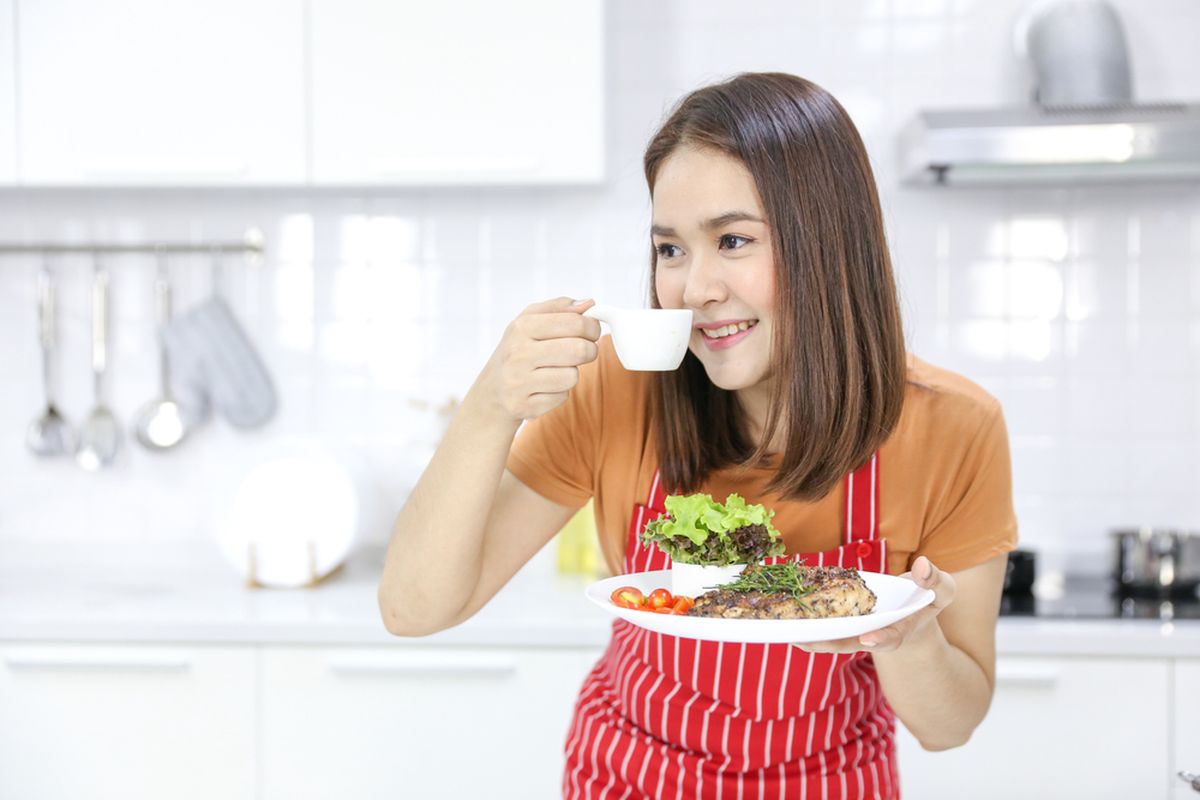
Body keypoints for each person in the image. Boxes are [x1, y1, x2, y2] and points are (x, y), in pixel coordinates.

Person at [378, 71, 1017, 799]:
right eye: (671, 250)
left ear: (830, 245)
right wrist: (491, 404)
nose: (692, 288)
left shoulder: (954, 427)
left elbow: (951, 723)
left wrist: (906, 635)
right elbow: (413, 608)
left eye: (734, 240)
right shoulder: (616, 391)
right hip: (631, 780)